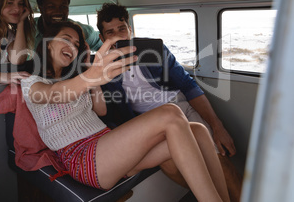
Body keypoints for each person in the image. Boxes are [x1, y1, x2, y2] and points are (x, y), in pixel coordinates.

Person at [21, 21, 230, 201]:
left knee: (198, 131)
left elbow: (100, 110)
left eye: (77, 44)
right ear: (47, 43)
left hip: (108, 150)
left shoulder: (76, 79)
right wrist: (90, 76)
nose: (72, 47)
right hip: (84, 159)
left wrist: (88, 73)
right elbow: (56, 93)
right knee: (170, 113)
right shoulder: (31, 83)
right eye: (66, 39)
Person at [96, 3, 242, 201]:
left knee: (221, 162)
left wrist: (217, 126)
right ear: (102, 39)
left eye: (122, 29)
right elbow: (106, 108)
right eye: (110, 32)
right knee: (169, 164)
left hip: (179, 106)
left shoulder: (152, 49)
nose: (118, 36)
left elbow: (188, 86)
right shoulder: (101, 68)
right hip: (149, 123)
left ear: (130, 29)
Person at [34, 0, 102, 51]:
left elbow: (105, 42)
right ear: (40, 8)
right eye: (51, 7)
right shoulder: (26, 31)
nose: (58, 12)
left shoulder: (81, 32)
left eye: (63, 6)